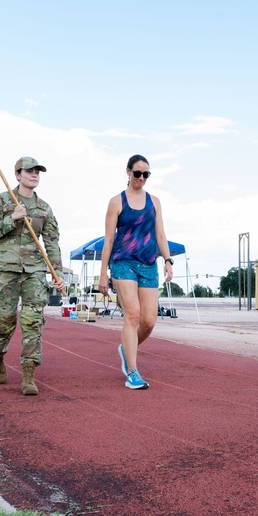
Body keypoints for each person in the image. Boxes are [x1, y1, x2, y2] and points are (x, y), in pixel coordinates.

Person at [0, 156, 66, 395]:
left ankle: (28, 374)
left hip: (35, 271)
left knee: (33, 321)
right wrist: (12, 219)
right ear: (17, 174)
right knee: (5, 321)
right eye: (29, 171)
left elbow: (51, 243)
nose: (34, 175)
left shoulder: (44, 209)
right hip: (6, 269)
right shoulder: (1, 201)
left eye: (37, 171)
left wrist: (56, 273)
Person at [99, 154, 173, 390]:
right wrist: (103, 273)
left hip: (149, 263)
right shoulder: (116, 202)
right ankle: (132, 371)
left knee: (149, 321)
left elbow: (160, 234)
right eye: (137, 173)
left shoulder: (155, 202)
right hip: (123, 263)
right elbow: (109, 239)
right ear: (128, 172)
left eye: (146, 174)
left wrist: (168, 260)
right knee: (133, 315)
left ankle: (125, 348)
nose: (141, 178)